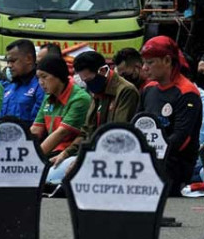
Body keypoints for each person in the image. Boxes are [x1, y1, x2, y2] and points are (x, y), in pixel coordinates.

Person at [47, 50, 139, 181]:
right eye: (85, 81)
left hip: (114, 159)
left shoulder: (125, 91)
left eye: (89, 79)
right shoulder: (97, 91)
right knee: (50, 176)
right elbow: (86, 132)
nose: (88, 85)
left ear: (102, 71)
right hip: (92, 153)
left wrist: (83, 159)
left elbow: (117, 134)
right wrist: (66, 153)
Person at [139, 35, 203, 196]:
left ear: (167, 61)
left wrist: (151, 156)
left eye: (150, 62)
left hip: (174, 164)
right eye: (144, 62)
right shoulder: (149, 89)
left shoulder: (187, 92)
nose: (145, 68)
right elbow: (137, 123)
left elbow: (181, 138)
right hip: (146, 159)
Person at [31, 55, 92, 156]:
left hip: (71, 155)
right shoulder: (48, 97)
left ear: (58, 75)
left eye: (44, 77)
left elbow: (61, 133)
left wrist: (33, 158)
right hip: (52, 151)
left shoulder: (79, 99)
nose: (40, 82)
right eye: (38, 78)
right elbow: (36, 130)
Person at [0, 39, 45, 128]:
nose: (9, 65)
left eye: (13, 61)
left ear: (29, 59)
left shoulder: (41, 86)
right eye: (8, 62)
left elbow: (39, 124)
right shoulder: (9, 87)